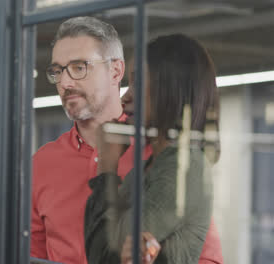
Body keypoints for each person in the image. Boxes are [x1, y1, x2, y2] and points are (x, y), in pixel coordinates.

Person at [31, 16, 223, 264]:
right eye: (57, 71)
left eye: (79, 67)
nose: (65, 82)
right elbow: (29, 255)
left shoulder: (164, 158)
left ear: (116, 70)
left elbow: (207, 258)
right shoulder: (42, 163)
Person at [84, 34, 220, 264]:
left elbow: (104, 257)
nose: (125, 97)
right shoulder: (149, 168)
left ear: (169, 88)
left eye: (137, 82)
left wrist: (107, 165)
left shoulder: (183, 167)